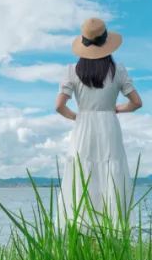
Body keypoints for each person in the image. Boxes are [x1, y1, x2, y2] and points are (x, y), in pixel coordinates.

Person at [55, 17, 142, 226]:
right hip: (108, 126)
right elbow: (136, 103)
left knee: (82, 174)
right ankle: (112, 228)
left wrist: (78, 117)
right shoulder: (118, 70)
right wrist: (117, 109)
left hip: (83, 127)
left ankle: (81, 228)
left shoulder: (72, 70)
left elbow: (59, 106)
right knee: (111, 174)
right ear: (106, 42)